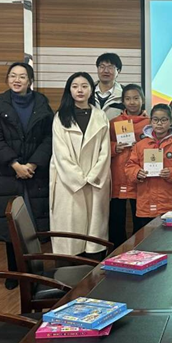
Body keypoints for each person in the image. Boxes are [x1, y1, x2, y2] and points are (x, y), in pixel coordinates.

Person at [0, 62, 53, 289]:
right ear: (7, 79)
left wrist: (32, 164)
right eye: (13, 76)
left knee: (33, 222)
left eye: (22, 76)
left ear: (30, 81)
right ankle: (14, 272)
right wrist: (15, 164)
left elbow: (49, 138)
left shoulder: (42, 104)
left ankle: (34, 270)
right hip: (7, 173)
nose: (17, 80)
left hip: (35, 172)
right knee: (10, 222)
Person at [50, 72, 111, 258]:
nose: (80, 90)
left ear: (91, 90)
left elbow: (105, 152)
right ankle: (69, 267)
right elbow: (60, 154)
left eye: (84, 86)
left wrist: (92, 176)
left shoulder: (100, 116)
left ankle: (94, 266)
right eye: (75, 86)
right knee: (70, 227)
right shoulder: (61, 117)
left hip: (95, 181)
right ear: (69, 90)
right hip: (68, 182)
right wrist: (78, 178)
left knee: (94, 230)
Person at [124, 104, 172, 228]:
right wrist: (137, 172)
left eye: (164, 120)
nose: (159, 123)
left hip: (170, 204)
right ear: (151, 121)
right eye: (156, 120)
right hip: (145, 204)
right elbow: (130, 166)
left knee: (169, 238)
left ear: (170, 121)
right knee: (146, 237)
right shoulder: (141, 145)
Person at [108, 84, 150, 248]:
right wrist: (114, 147)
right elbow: (102, 146)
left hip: (140, 176)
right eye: (128, 99)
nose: (132, 102)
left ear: (142, 100)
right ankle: (117, 252)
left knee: (139, 218)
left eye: (136, 98)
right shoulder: (113, 123)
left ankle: (139, 250)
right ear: (123, 101)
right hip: (118, 174)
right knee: (116, 218)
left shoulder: (149, 124)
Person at [94, 52, 126, 120]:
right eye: (102, 67)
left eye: (110, 67)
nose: (106, 71)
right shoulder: (88, 91)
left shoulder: (125, 93)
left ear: (118, 71)